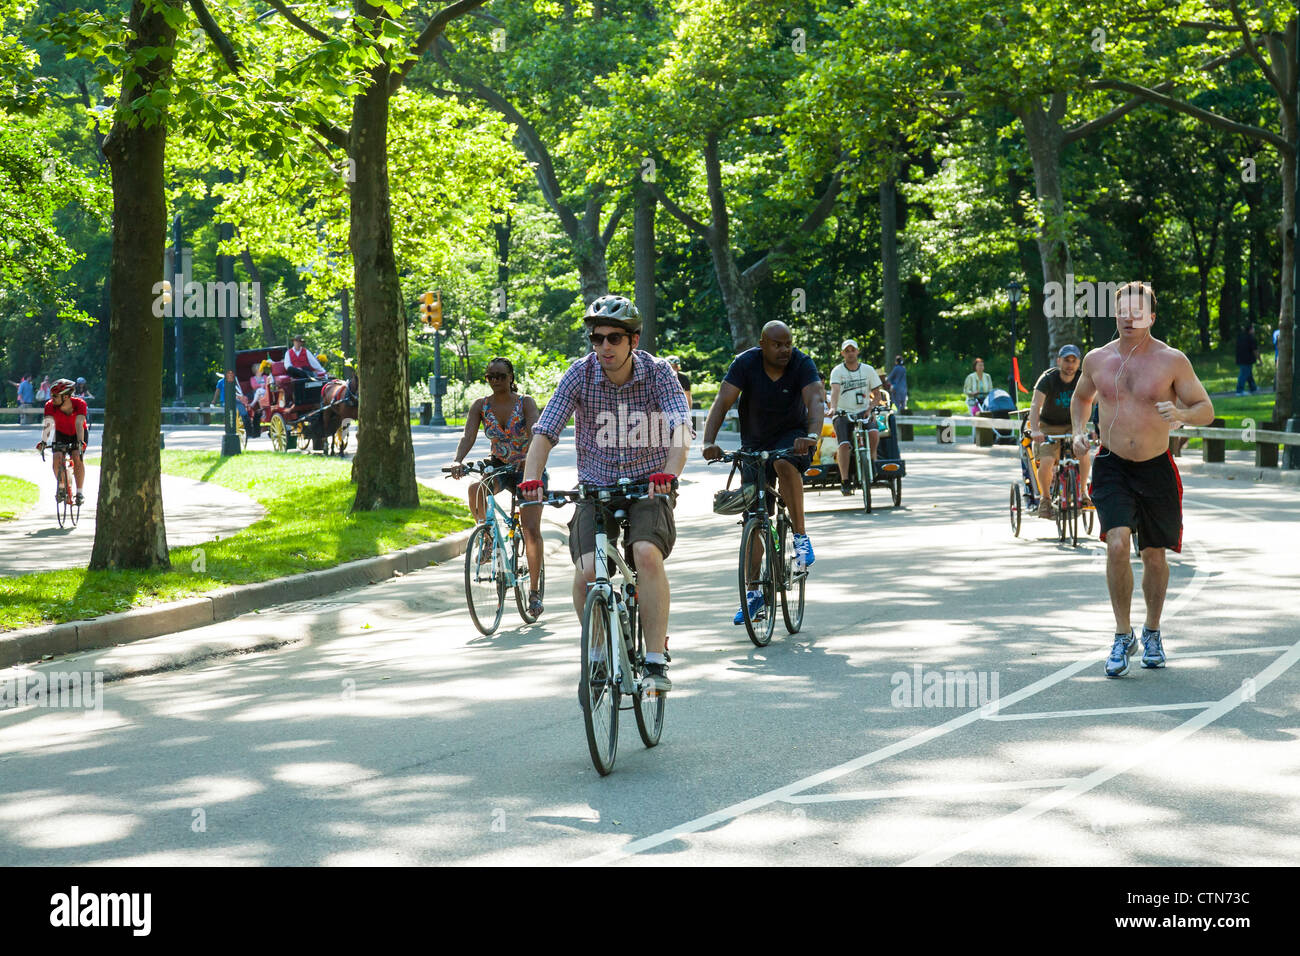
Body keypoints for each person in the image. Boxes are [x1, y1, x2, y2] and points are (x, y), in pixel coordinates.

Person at [521, 294, 690, 695]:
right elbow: (545, 431)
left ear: (633, 339)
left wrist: (669, 473)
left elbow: (680, 430)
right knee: (588, 575)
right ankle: (598, 655)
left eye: (614, 338)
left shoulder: (658, 373)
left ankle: (654, 658)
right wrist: (531, 480)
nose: (604, 347)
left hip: (648, 485)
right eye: (597, 338)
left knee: (646, 554)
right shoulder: (579, 374)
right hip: (595, 489)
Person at [1070, 282, 1214, 678]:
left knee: (1154, 554)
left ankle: (1152, 631)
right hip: (1112, 464)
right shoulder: (1097, 359)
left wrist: (1182, 415)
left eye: (1138, 312)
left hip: (1156, 467)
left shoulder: (1172, 361)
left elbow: (1206, 408)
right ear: (1115, 315)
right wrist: (1078, 430)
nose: (1129, 318)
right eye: (1122, 312)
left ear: (1152, 316)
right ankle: (1121, 635)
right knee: (1116, 543)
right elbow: (1082, 398)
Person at [701, 321, 825, 624]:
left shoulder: (801, 363)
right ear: (763, 343)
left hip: (793, 439)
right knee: (754, 516)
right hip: (754, 444)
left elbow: (816, 399)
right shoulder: (745, 364)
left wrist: (811, 435)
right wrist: (708, 441)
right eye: (778, 344)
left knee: (784, 465)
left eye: (789, 344)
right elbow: (722, 401)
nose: (785, 350)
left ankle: (800, 538)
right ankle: (754, 592)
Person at [448, 357, 546, 617]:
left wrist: (532, 456)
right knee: (475, 489)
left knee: (531, 530)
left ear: (511, 377)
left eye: (501, 376)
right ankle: (488, 538)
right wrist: (458, 460)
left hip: (528, 469)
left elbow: (536, 429)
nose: (495, 381)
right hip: (501, 466)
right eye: (490, 376)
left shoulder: (525, 403)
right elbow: (468, 436)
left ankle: (534, 593)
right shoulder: (480, 406)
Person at [1028, 345, 1093, 518]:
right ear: (1059, 361)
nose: (1070, 365)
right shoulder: (1048, 379)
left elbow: (1093, 401)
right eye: (1066, 360)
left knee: (1083, 452)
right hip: (1049, 426)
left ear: (1079, 362)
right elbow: (1035, 405)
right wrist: (1035, 431)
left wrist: (1091, 428)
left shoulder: (1083, 378)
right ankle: (1045, 499)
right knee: (1048, 461)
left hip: (1074, 425)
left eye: (1074, 361)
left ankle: (1083, 491)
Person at [827, 339, 890, 496]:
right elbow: (834, 392)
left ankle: (873, 459)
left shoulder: (868, 370)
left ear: (857, 351)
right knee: (844, 445)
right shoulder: (837, 371)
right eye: (846, 350)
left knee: (874, 432)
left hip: (864, 410)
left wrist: (871, 408)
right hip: (843, 412)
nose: (850, 353)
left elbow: (877, 394)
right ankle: (845, 480)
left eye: (852, 350)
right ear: (842, 353)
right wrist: (833, 408)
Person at [35, 379, 88, 505]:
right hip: (61, 433)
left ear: (66, 396)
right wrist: (43, 441)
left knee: (76, 456)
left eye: (55, 396)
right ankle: (62, 487)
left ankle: (79, 492)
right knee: (57, 457)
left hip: (78, 433)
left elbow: (79, 423)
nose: (51, 398)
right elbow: (48, 425)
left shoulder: (80, 404)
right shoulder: (49, 406)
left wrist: (80, 443)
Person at [667, 356, 696, 439]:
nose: (673, 369)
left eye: (675, 366)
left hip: (679, 407)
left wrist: (688, 413)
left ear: (678, 367)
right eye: (671, 366)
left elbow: (688, 397)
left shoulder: (684, 379)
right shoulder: (662, 378)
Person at [1235, 324, 1259, 395]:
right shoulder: (1251, 338)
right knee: (1244, 374)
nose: (1254, 330)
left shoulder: (1240, 337)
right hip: (1247, 359)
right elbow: (1255, 350)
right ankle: (1239, 390)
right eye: (1253, 328)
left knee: (1248, 374)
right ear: (1250, 330)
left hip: (1240, 358)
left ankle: (1253, 387)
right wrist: (1259, 360)